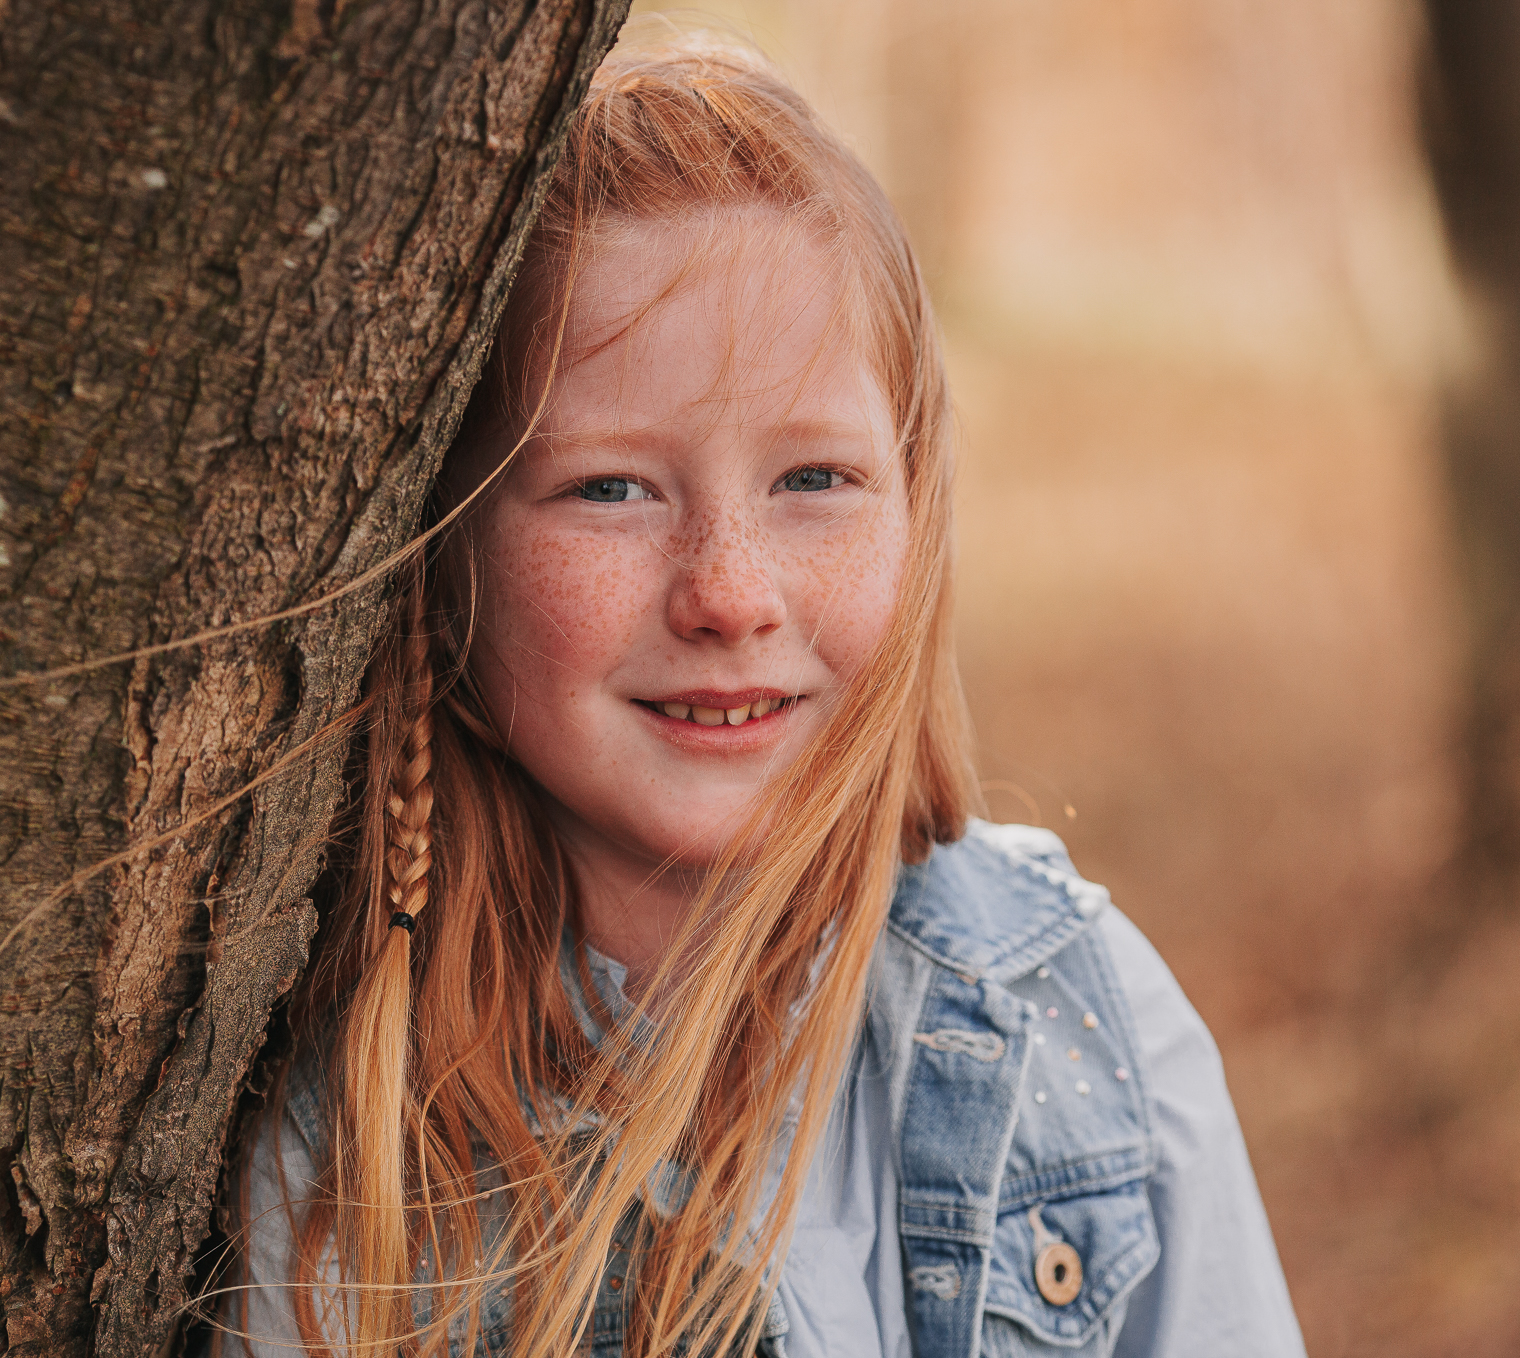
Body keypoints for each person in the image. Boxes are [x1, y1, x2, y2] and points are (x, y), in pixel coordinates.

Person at [213, 23, 1307, 1358]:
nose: (730, 593)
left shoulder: (1082, 1027)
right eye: (611, 489)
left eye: (815, 479)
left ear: (915, 512)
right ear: (447, 561)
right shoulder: (350, 1167)